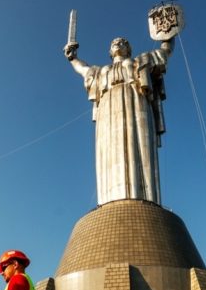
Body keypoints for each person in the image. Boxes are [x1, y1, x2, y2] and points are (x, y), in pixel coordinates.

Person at [64, 36, 174, 205]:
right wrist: (73, 58)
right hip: (107, 109)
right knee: (109, 150)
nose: (117, 43)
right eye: (114, 42)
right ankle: (110, 202)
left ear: (128, 49)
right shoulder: (101, 71)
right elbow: (84, 70)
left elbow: (164, 53)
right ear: (110, 51)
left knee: (139, 144)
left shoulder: (139, 61)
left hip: (136, 102)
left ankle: (144, 198)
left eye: (122, 42)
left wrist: (167, 36)